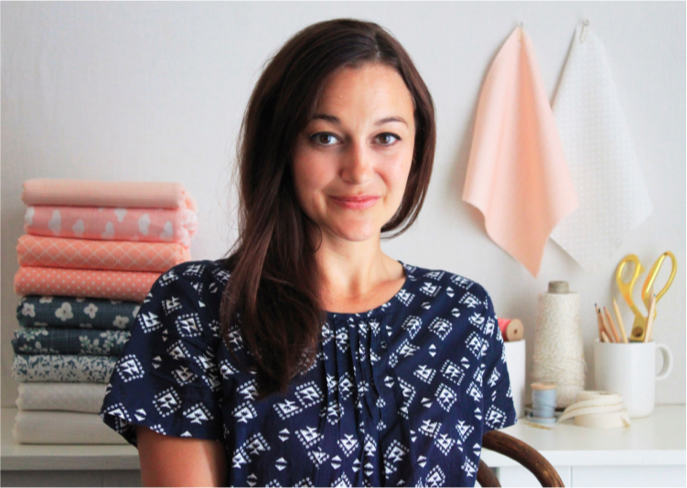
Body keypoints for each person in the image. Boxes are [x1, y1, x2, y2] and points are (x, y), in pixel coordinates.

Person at [100, 18, 516, 487]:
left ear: (416, 150)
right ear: (282, 148)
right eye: (325, 137)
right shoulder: (195, 305)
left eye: (386, 138)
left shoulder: (463, 311)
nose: (359, 169)